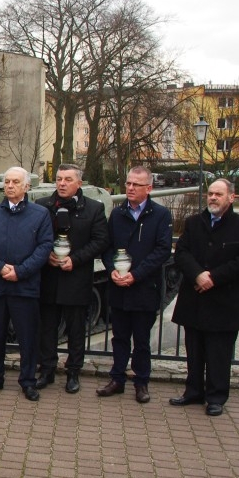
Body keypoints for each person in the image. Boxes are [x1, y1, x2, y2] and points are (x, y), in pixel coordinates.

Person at [170, 179, 239, 416]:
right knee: (195, 349)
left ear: (231, 197)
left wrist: (213, 278)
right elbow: (182, 253)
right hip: (195, 297)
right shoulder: (193, 223)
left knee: (219, 353)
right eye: (210, 193)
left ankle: (216, 397)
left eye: (218, 194)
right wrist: (198, 275)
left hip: (222, 300)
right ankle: (193, 391)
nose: (212, 198)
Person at [0, 167, 53, 402]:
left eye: (15, 182)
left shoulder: (40, 214)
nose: (9, 185)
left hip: (24, 286)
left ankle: (28, 381)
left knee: (27, 336)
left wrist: (21, 271)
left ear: (26, 186)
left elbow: (45, 246)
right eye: (7, 181)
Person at [96, 165, 173, 404]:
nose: (129, 188)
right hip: (118, 286)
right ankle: (117, 379)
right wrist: (112, 271)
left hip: (143, 287)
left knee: (141, 340)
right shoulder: (118, 214)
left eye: (135, 185)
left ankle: (141, 383)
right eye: (128, 183)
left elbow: (161, 251)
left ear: (148, 188)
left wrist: (136, 275)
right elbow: (107, 247)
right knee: (119, 337)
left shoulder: (160, 215)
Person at [35, 164, 108, 394]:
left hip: (76, 277)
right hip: (49, 276)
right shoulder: (43, 206)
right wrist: (45, 255)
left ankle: (73, 372)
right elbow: (34, 235)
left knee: (76, 329)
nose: (62, 183)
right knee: (47, 328)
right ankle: (46, 370)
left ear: (79, 183)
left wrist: (75, 260)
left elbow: (100, 241)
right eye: (58, 179)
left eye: (68, 179)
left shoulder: (93, 209)